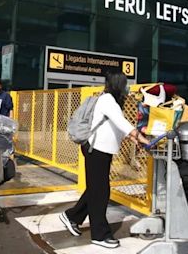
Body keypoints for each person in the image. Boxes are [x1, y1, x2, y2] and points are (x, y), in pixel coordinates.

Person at [59, 72, 149, 249]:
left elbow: (116, 125)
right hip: (96, 150)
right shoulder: (107, 99)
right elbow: (121, 122)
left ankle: (72, 216)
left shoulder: (109, 100)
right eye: (125, 84)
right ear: (118, 85)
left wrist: (134, 138)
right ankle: (99, 235)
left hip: (101, 150)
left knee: (96, 188)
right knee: (101, 192)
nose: (127, 88)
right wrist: (140, 137)